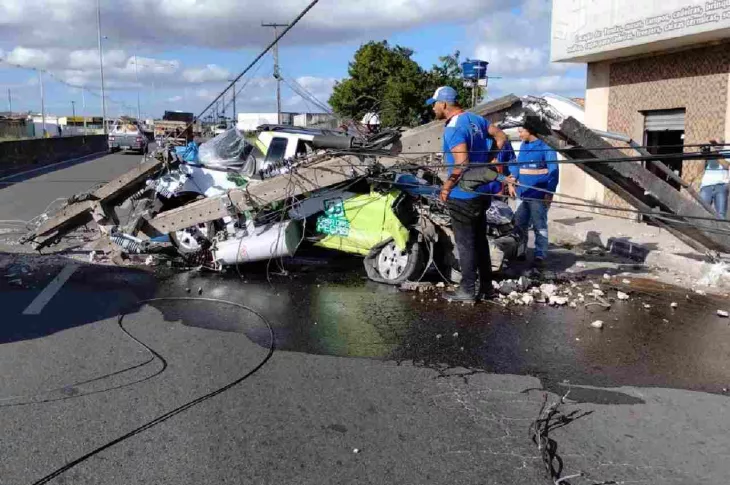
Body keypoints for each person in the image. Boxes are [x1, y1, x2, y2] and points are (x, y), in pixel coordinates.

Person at [427, 85, 508, 303]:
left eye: (434, 104)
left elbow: (461, 163)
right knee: (480, 240)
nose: (433, 108)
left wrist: (446, 187)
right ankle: (487, 287)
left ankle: (468, 289)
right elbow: (501, 136)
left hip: (463, 195)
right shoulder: (476, 119)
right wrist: (489, 160)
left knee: (465, 243)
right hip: (481, 192)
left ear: (443, 104)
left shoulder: (453, 128)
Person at [512, 116, 559, 268]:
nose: (519, 135)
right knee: (520, 224)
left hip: (538, 195)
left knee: (539, 225)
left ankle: (540, 254)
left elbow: (553, 171)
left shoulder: (546, 146)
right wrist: (513, 181)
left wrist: (549, 193)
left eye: (521, 131)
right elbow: (518, 166)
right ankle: (520, 251)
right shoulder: (524, 145)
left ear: (530, 130)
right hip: (522, 193)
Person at [699, 139, 729, 219]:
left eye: (716, 143)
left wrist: (717, 154)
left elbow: (726, 166)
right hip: (706, 186)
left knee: (721, 213)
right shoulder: (710, 154)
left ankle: (721, 231)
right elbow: (699, 170)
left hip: (721, 186)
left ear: (723, 144)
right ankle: (703, 230)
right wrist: (704, 156)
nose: (714, 145)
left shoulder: (726, 153)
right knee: (702, 212)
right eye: (713, 144)